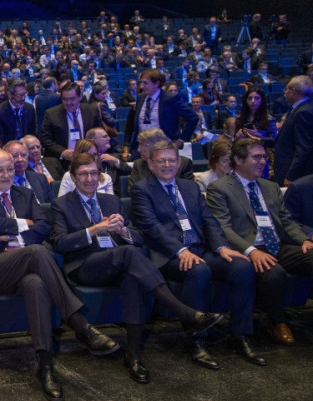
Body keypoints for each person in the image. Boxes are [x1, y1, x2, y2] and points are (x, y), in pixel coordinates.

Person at [0, 149, 120, 401]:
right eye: (0, 170)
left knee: (35, 283)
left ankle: (45, 366)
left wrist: (12, 233)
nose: (6, 175)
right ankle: (79, 324)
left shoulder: (24, 193)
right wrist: (25, 224)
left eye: (10, 169)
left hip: (26, 266)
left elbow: (45, 226)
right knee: (36, 251)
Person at [51, 154, 221, 384]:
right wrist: (94, 230)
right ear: (73, 177)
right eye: (83, 174)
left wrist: (124, 232)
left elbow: (138, 237)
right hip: (85, 266)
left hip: (119, 261)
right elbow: (60, 242)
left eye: (94, 173)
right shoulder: (62, 204)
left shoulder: (110, 201)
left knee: (132, 275)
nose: (90, 178)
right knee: (129, 255)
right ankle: (184, 311)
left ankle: (134, 356)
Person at [130, 140, 258, 370]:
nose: (167, 164)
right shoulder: (142, 189)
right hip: (168, 255)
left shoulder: (189, 187)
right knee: (198, 270)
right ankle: (195, 340)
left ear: (179, 162)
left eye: (172, 160)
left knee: (242, 267)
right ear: (150, 163)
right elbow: (152, 228)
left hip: (201, 249)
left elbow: (209, 220)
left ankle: (239, 335)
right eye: (161, 160)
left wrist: (222, 247)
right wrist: (181, 251)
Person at [206, 138, 313, 346]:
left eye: (264, 157)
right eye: (256, 157)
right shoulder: (219, 188)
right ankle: (277, 321)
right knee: (274, 273)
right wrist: (250, 250)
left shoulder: (270, 187)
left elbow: (286, 222)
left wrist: (304, 240)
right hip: (249, 247)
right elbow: (223, 228)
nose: (263, 161)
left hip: (278, 244)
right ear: (238, 159)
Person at [124, 69, 198, 161]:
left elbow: (193, 117)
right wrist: (126, 145)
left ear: (157, 83)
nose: (142, 86)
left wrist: (181, 140)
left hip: (163, 148)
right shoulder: (141, 97)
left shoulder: (169, 98)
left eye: (145, 83)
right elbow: (130, 124)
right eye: (141, 82)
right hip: (141, 148)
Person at [39, 82, 104, 165]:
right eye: (65, 99)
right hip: (62, 162)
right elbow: (45, 139)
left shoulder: (92, 111)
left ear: (80, 97)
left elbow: (100, 134)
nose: (68, 103)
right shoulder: (51, 114)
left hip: (89, 160)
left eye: (72, 99)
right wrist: (62, 152)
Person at [272, 75, 313, 185]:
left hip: (292, 174)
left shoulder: (303, 112)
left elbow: (303, 147)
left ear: (293, 91)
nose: (284, 92)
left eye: (286, 88)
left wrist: (291, 176)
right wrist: (261, 140)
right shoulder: (299, 109)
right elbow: (287, 139)